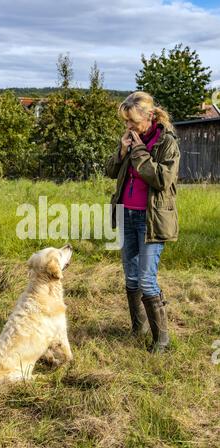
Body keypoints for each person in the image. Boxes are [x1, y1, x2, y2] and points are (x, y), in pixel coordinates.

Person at [106, 91, 181, 353]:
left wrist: (137, 152)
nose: (128, 127)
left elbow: (162, 179)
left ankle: (162, 340)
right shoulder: (131, 141)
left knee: (147, 280)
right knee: (131, 278)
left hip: (152, 220)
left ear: (149, 116)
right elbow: (111, 171)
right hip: (126, 214)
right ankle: (138, 328)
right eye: (126, 122)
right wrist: (122, 150)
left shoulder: (166, 143)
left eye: (132, 122)